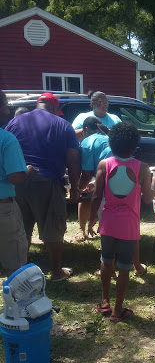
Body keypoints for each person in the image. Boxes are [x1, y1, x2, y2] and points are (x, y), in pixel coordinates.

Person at [88, 122, 155, 321]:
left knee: (105, 259)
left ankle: (104, 301)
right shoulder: (143, 168)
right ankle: (117, 309)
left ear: (111, 143)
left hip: (108, 221)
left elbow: (96, 196)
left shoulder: (104, 164)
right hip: (129, 224)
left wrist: (91, 220)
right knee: (124, 266)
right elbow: (148, 198)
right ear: (134, 145)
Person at [6, 92, 81, 281]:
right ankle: (56, 271)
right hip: (48, 181)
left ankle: (21, 272)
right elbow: (72, 160)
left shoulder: (15, 123)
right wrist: (75, 187)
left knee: (22, 228)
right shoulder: (63, 125)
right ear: (55, 108)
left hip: (18, 181)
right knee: (53, 227)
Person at [0, 91, 32, 276]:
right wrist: (27, 170)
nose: (8, 109)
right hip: (3, 208)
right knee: (15, 267)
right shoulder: (6, 139)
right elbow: (16, 177)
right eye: (4, 105)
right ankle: (17, 304)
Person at [76, 116, 112, 242]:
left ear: (85, 129)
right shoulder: (110, 139)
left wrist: (77, 190)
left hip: (104, 185)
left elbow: (86, 174)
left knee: (107, 229)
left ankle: (108, 255)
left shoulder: (87, 143)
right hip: (119, 183)